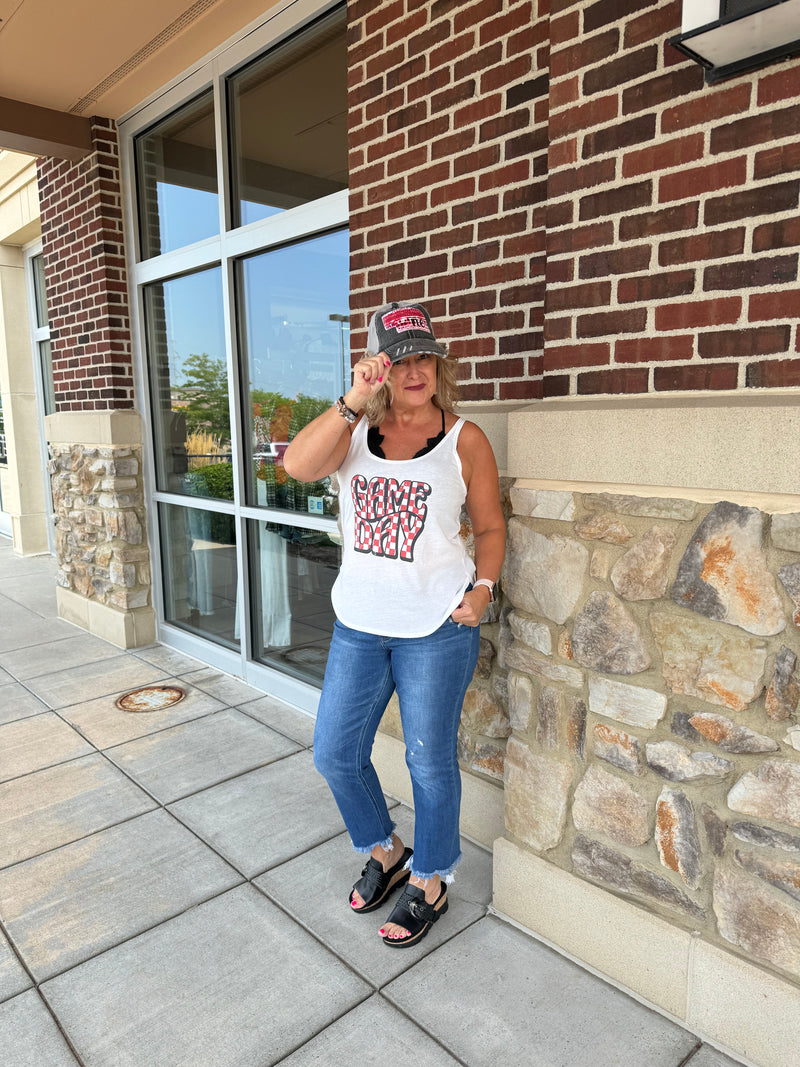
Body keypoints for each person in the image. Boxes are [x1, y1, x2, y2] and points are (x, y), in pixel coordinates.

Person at [283, 300, 505, 948]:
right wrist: (353, 399)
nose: (414, 369)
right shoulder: (352, 434)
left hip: (437, 625)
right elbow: (297, 465)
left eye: (423, 356)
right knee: (334, 751)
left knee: (429, 762)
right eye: (399, 358)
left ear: (439, 362)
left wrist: (485, 588)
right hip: (360, 623)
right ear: (379, 367)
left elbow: (490, 527)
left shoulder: (465, 440)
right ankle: (387, 849)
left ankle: (431, 879)